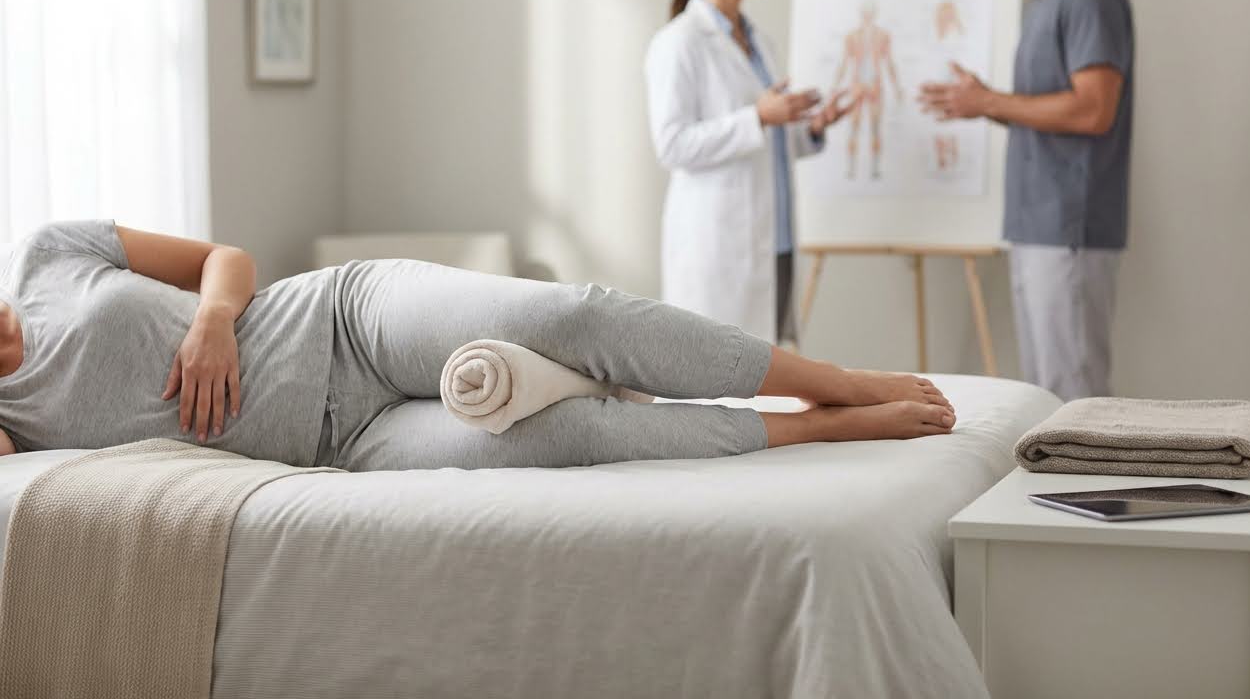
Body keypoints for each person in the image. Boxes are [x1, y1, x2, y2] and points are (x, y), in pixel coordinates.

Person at [0, 220, 956, 469]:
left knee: (571, 315)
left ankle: (831, 379)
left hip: (341, 316)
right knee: (566, 441)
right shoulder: (12, 430)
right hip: (338, 447)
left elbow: (224, 257)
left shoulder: (50, 255)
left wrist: (212, 318)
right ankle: (813, 432)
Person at [918, 0, 1133, 401]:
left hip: (1069, 231)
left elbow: (1093, 110)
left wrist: (988, 100)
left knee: (1074, 400)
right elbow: (1047, 105)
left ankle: (1092, 493)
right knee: (1047, 400)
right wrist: (982, 103)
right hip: (1037, 227)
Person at [645, 0, 853, 346]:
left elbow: (766, 144)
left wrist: (812, 127)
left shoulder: (759, 42)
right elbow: (673, 145)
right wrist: (758, 116)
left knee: (768, 377)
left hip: (773, 241)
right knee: (719, 380)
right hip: (719, 245)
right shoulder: (679, 43)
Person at [833, 0, 903, 180]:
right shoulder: (851, 36)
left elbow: (889, 62)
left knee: (875, 127)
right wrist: (835, 86)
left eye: (870, 12)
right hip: (857, 84)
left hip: (874, 84)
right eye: (865, 12)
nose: (867, 15)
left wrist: (897, 88)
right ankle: (850, 168)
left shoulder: (883, 35)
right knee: (854, 127)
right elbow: (844, 62)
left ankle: (875, 168)